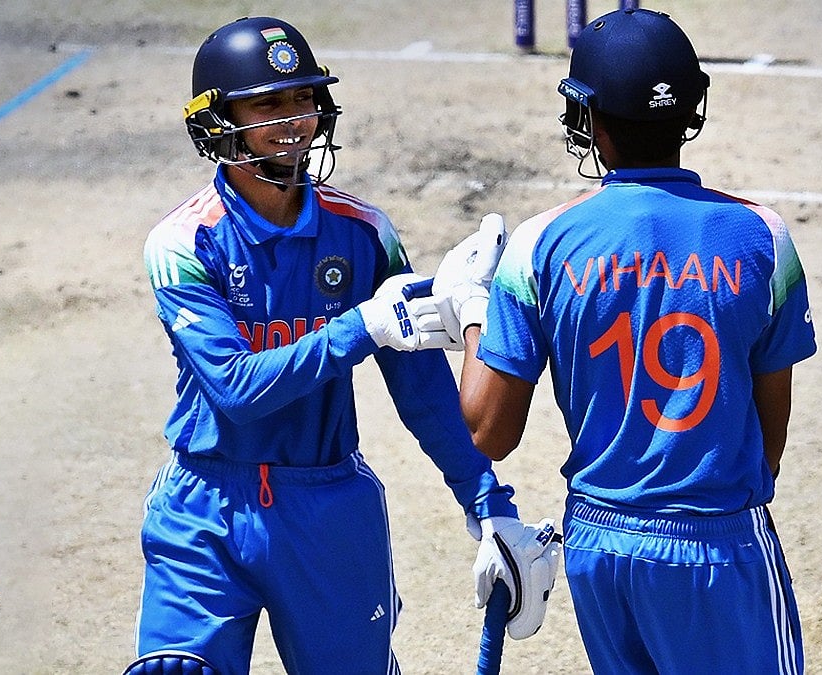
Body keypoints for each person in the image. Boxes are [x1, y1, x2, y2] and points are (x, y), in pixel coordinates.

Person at [128, 16, 550, 675]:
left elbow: (423, 389)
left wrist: (488, 502)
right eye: (268, 104)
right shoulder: (183, 244)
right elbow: (236, 389)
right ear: (217, 121)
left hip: (326, 506)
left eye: (303, 98)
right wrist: (362, 326)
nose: (294, 120)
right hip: (206, 504)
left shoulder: (364, 234)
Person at [434, 8, 817, 674]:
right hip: (717, 541)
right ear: (692, 109)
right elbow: (770, 433)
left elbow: (489, 431)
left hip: (600, 545)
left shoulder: (538, 245)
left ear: (591, 119)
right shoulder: (764, 237)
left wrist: (472, 309)